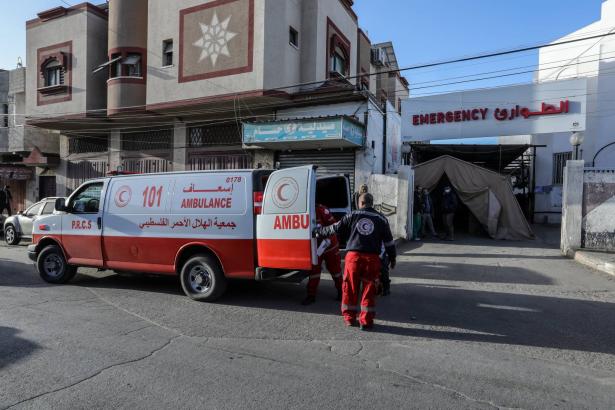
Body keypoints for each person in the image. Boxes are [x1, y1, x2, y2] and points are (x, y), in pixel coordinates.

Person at [315, 193, 396, 331]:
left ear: (360, 203)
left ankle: (349, 318)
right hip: (372, 259)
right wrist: (392, 258)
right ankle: (366, 321)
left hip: (354, 257)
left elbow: (334, 228)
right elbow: (389, 242)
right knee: (369, 290)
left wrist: (319, 230)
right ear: (371, 203)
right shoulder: (382, 219)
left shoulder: (352, 215)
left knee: (350, 288)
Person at [302, 203, 343, 305]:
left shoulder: (321, 210)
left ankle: (342, 293)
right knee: (314, 272)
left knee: (335, 271)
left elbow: (334, 226)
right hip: (315, 247)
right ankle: (311, 295)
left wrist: (326, 239)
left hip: (330, 245)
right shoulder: (303, 210)